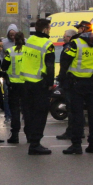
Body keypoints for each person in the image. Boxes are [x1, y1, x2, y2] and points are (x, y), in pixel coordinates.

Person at [58, 21, 93, 154]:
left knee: (77, 115)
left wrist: (62, 78)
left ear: (83, 29)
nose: (78, 31)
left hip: (77, 84)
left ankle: (76, 145)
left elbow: (65, 60)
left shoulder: (76, 44)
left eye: (79, 28)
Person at [21, 18, 56, 155]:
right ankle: (35, 144)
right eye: (49, 28)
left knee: (29, 113)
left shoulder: (29, 40)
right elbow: (50, 66)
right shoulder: (47, 44)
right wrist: (49, 83)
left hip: (27, 83)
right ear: (46, 29)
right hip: (40, 84)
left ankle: (31, 138)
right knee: (40, 115)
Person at [55, 28, 80, 141]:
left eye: (65, 36)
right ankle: (78, 131)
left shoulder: (69, 48)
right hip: (78, 81)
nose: (63, 37)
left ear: (69, 37)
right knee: (77, 108)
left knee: (71, 108)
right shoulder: (80, 46)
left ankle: (71, 131)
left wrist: (60, 77)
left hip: (69, 81)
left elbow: (65, 64)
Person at [1, 31, 25, 144]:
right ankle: (30, 134)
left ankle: (15, 135)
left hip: (14, 85)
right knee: (27, 110)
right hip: (27, 84)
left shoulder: (10, 52)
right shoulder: (29, 52)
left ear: (14, 40)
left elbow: (4, 66)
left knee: (15, 111)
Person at [1, 24, 18, 123]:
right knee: (6, 95)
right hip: (8, 74)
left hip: (19, 74)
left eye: (14, 34)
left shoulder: (22, 42)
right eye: (10, 34)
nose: (12, 36)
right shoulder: (4, 43)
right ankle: (8, 115)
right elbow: (1, 56)